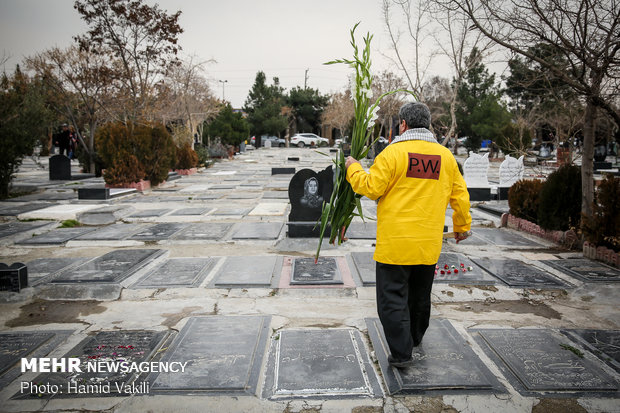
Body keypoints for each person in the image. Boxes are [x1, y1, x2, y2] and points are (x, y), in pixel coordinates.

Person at [345, 102, 472, 369]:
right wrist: (461, 226)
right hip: (427, 244)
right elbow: (460, 195)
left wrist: (352, 167)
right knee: (419, 295)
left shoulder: (393, 153)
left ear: (403, 124)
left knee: (392, 298)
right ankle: (415, 338)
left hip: (395, 245)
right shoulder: (445, 157)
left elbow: (371, 187)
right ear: (428, 124)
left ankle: (402, 353)